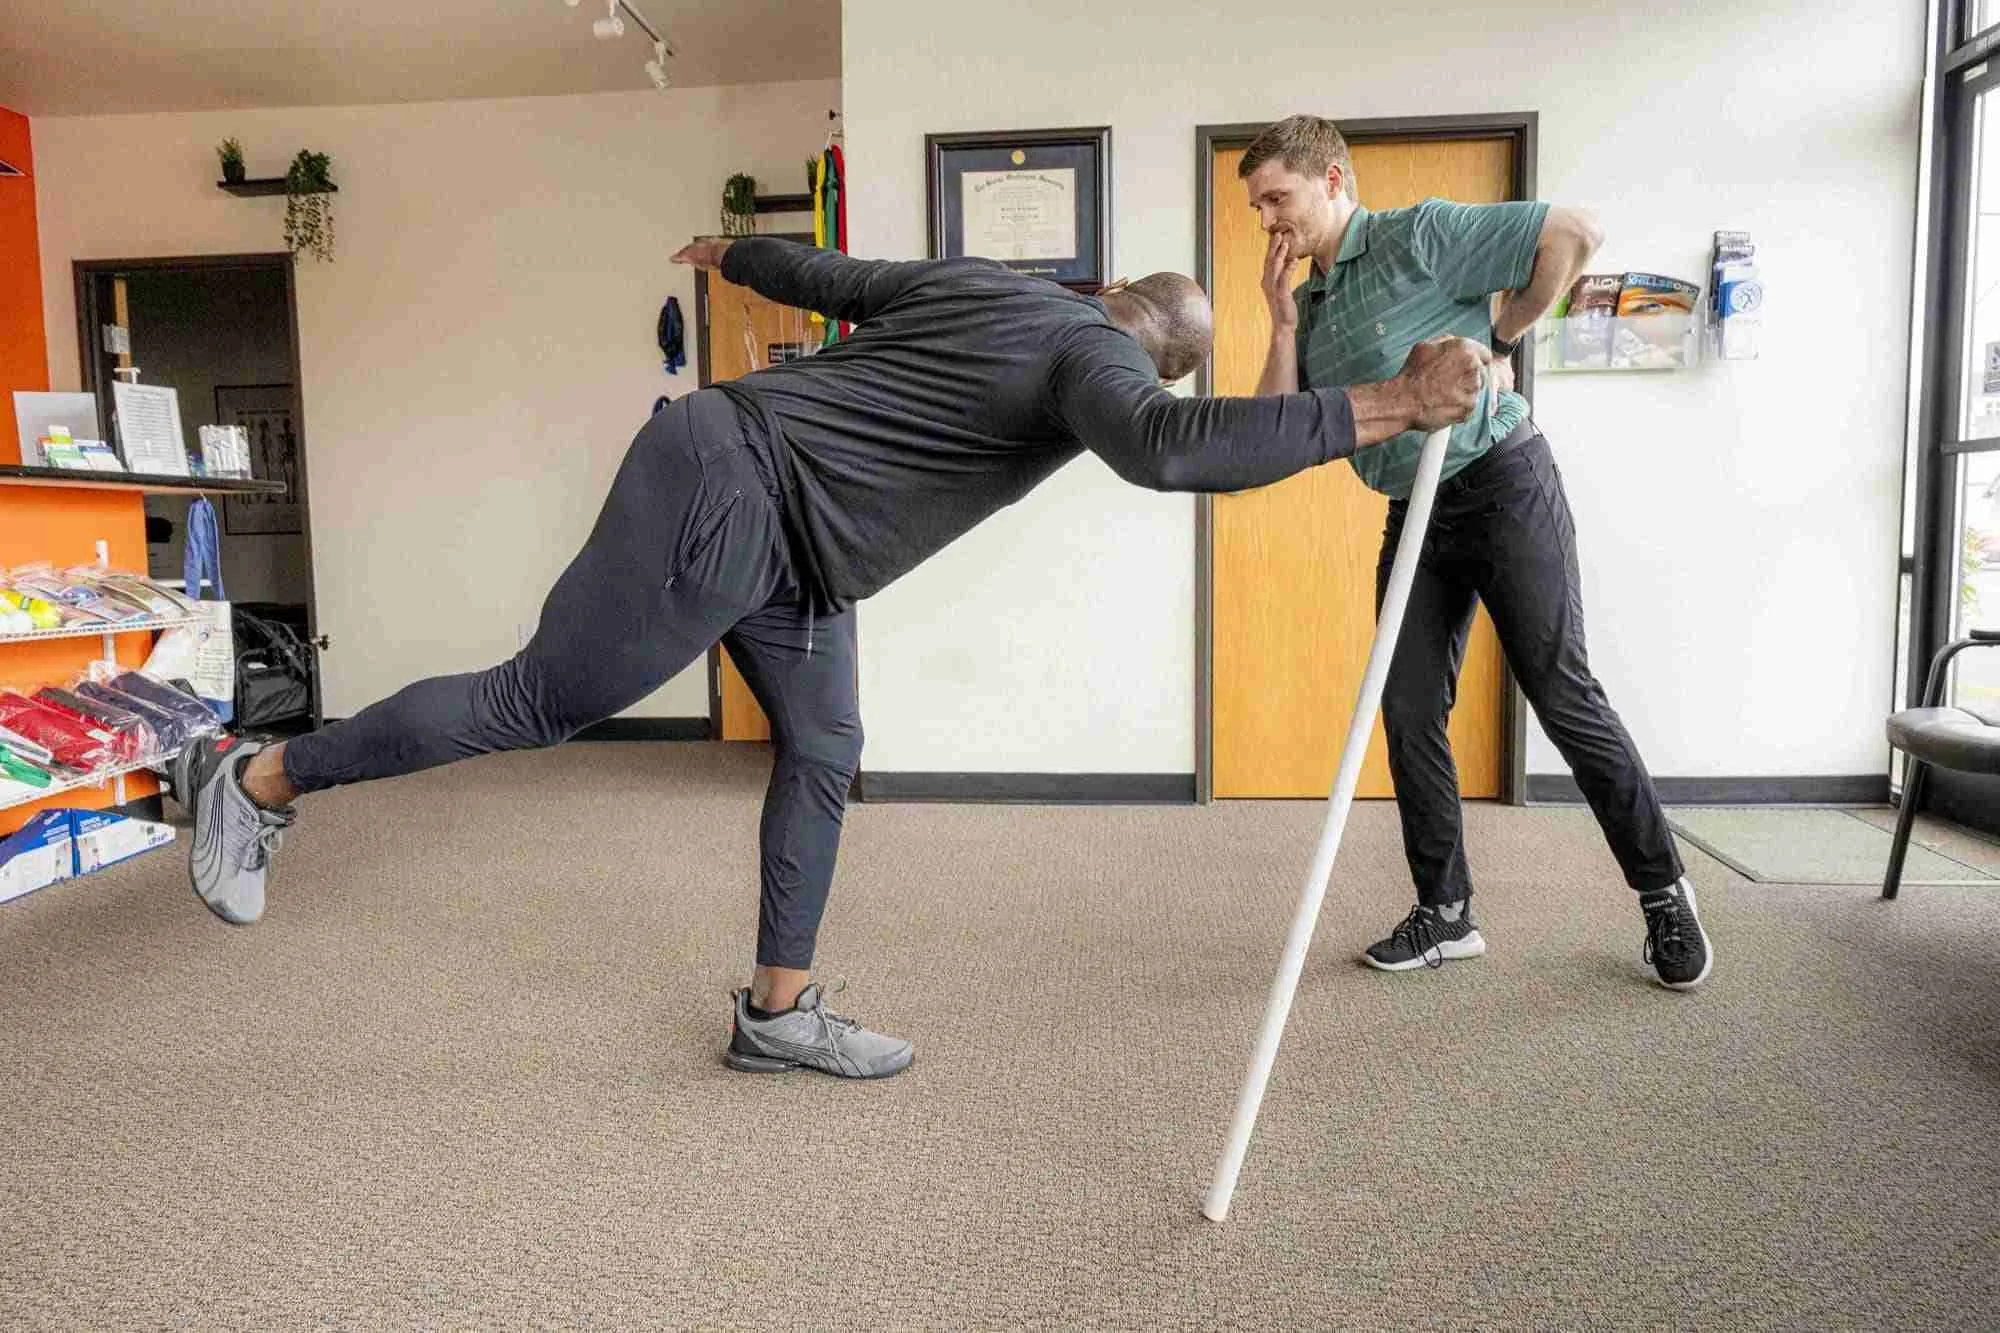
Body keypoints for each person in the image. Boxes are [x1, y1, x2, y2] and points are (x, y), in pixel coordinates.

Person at [172, 235, 1496, 1080]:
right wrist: (1389, 402)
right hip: (738, 491)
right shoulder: (1099, 360)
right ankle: (262, 779)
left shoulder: (997, 288)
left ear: (1112, 292)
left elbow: (826, 276)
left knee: (825, 743)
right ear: (1144, 343)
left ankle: (777, 1012)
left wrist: (733, 247)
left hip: (787, 535)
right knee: (536, 701)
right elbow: (1169, 449)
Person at [1238, 114, 1712, 990]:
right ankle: (1446, 911)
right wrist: (1275, 320)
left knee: (1559, 691)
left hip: (1499, 481)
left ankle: (1663, 893)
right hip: (1412, 509)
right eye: (1257, 204)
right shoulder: (1311, 303)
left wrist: (1501, 337)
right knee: (1410, 706)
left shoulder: (1418, 235)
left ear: (1333, 179)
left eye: (1279, 197)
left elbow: (1575, 232)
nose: (1268, 218)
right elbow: (1272, 437)